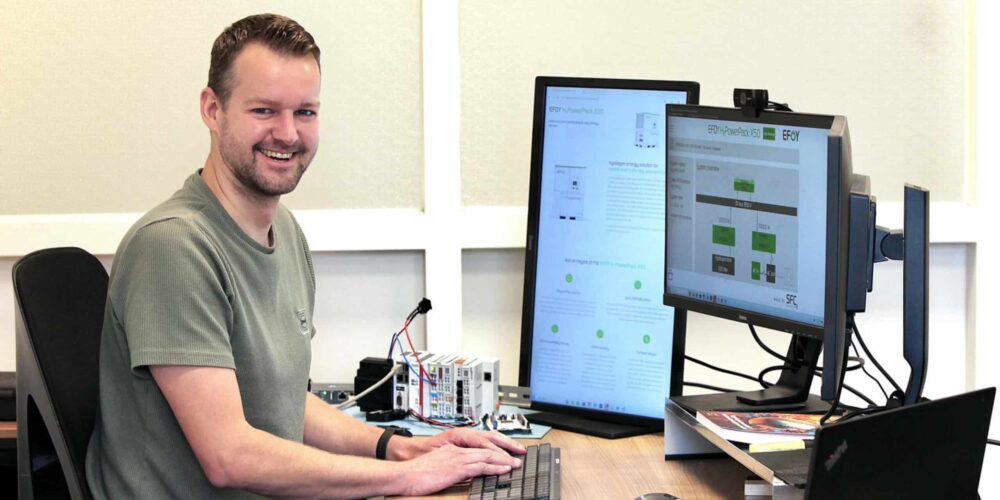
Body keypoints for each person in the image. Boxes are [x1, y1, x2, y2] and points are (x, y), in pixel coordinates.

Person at [85, 13, 523, 498]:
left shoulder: (285, 231)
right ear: (212, 109)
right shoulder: (173, 247)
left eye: (305, 112)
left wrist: (401, 449)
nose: (288, 133)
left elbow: (285, 404)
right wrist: (406, 478)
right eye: (264, 110)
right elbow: (230, 456)